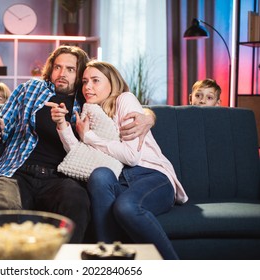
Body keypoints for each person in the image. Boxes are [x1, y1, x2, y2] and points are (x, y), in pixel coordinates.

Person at [0, 46, 155, 243]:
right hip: (17, 173)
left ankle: (66, 268)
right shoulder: (29, 89)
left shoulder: (90, 100)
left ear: (80, 73)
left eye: (70, 69)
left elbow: (126, 105)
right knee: (5, 209)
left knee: (77, 202)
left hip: (60, 178)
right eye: (57, 67)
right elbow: (4, 124)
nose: (61, 74)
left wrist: (149, 117)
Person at [49, 60, 188, 259]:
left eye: (95, 81)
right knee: (99, 175)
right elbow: (79, 154)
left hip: (152, 176)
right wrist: (63, 124)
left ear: (112, 83)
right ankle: (109, 259)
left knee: (125, 207)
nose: (88, 87)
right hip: (120, 179)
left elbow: (131, 157)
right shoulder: (91, 110)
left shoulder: (125, 99)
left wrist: (88, 136)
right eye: (85, 81)